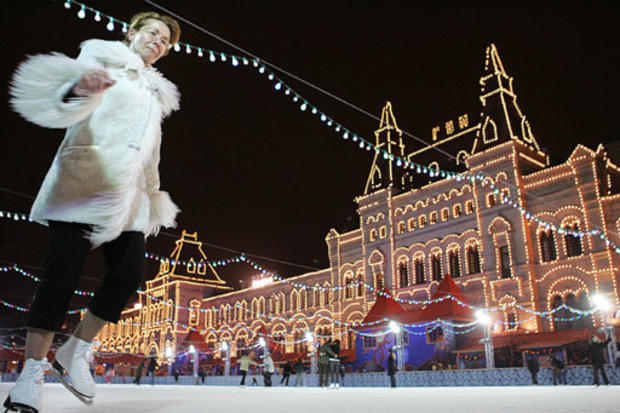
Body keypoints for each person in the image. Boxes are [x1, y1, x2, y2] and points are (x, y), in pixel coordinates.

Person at [5, 11, 182, 413]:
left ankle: (75, 350)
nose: (158, 41)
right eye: (152, 33)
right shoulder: (100, 59)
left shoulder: (155, 94)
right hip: (85, 178)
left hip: (130, 196)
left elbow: (151, 154)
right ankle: (31, 374)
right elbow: (63, 103)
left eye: (165, 40)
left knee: (130, 274)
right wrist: (81, 90)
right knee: (61, 276)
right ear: (132, 33)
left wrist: (154, 196)